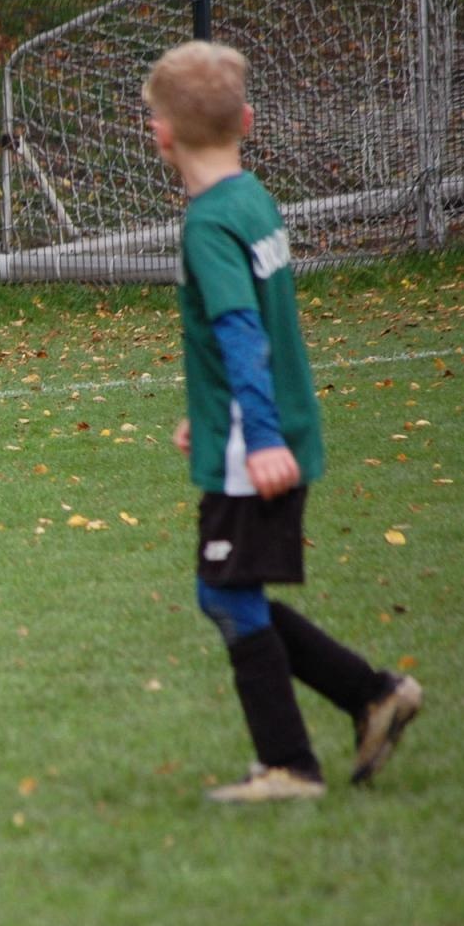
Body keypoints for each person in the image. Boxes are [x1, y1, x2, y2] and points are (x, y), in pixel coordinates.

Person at [144, 41, 423, 803]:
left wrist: (254, 436)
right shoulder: (252, 199)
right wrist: (210, 417)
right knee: (225, 591)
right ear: (248, 120)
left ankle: (290, 764)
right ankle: (371, 695)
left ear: (161, 134)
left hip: (257, 445)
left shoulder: (208, 224)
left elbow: (241, 328)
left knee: (227, 595)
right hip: (257, 428)